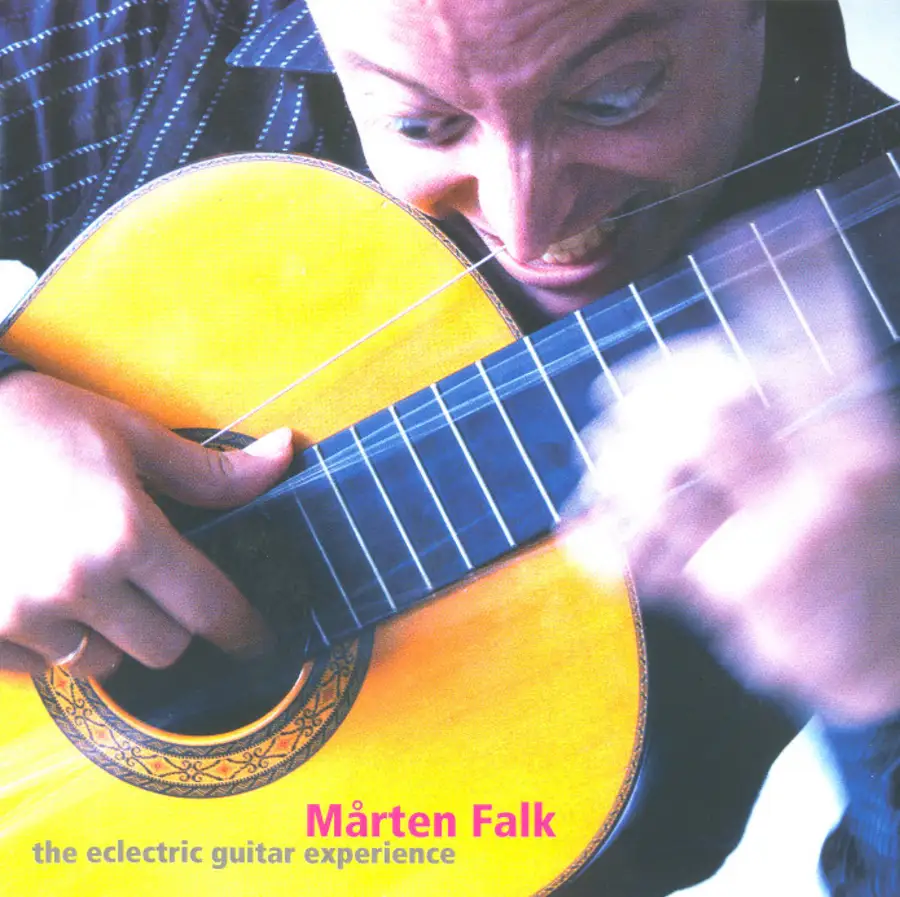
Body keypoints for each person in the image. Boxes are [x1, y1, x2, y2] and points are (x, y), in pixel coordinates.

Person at [1, 1, 899, 893]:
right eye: (419, 123)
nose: (527, 224)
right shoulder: (150, 38)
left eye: (615, 96)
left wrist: (880, 681)